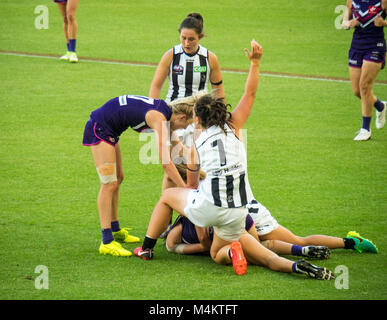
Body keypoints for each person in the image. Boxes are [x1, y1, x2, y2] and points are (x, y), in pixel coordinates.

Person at [134, 40, 335, 280]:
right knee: (242, 255)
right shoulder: (235, 126)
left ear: (197, 120)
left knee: (168, 198)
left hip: (209, 208)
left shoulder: (194, 145)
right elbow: (250, 93)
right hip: (238, 211)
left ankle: (146, 248)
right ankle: (292, 265)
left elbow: (191, 186)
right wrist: (255, 63)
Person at [82, 94, 200, 256]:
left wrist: (197, 168)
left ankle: (115, 230)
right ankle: (107, 241)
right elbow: (166, 163)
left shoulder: (166, 115)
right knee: (109, 183)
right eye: (186, 124)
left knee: (118, 178)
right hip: (99, 128)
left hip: (110, 131)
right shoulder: (159, 119)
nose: (184, 128)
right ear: (181, 116)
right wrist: (185, 189)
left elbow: (180, 150)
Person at [149, 12, 225, 104]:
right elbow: (156, 86)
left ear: (200, 37)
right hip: (173, 110)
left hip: (199, 112)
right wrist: (155, 109)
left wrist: (221, 113)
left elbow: (218, 89)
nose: (186, 43)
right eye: (183, 38)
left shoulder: (210, 58)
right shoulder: (170, 56)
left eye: (191, 39)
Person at [342, 0, 387, 141]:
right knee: (357, 90)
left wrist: (383, 23)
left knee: (364, 86)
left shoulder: (382, 2)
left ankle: (365, 129)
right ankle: (380, 106)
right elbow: (347, 12)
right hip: (356, 45)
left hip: (375, 45)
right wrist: (347, 23)